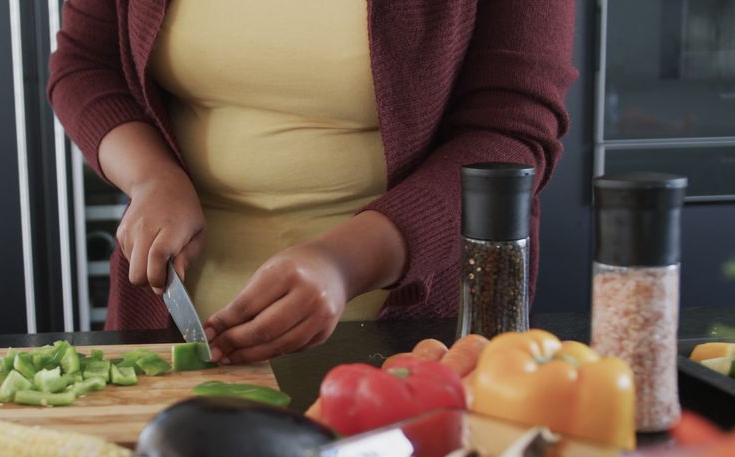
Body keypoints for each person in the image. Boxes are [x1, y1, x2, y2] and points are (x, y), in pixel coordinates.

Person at [48, 0, 576, 364]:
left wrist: (344, 262)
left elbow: (509, 132)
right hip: (175, 316)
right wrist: (152, 178)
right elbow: (85, 63)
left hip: (407, 340)